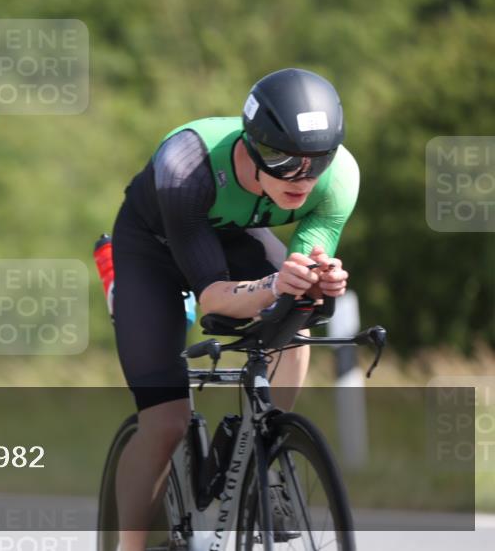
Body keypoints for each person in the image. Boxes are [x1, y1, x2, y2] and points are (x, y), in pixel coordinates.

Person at [108, 68, 359, 551]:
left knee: (300, 306)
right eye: (281, 160)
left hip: (234, 237)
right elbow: (215, 297)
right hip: (153, 248)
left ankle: (273, 453)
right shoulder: (187, 163)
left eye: (316, 161)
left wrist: (318, 280)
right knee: (166, 423)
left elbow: (303, 272)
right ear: (250, 143)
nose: (301, 177)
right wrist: (273, 282)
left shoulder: (340, 177)